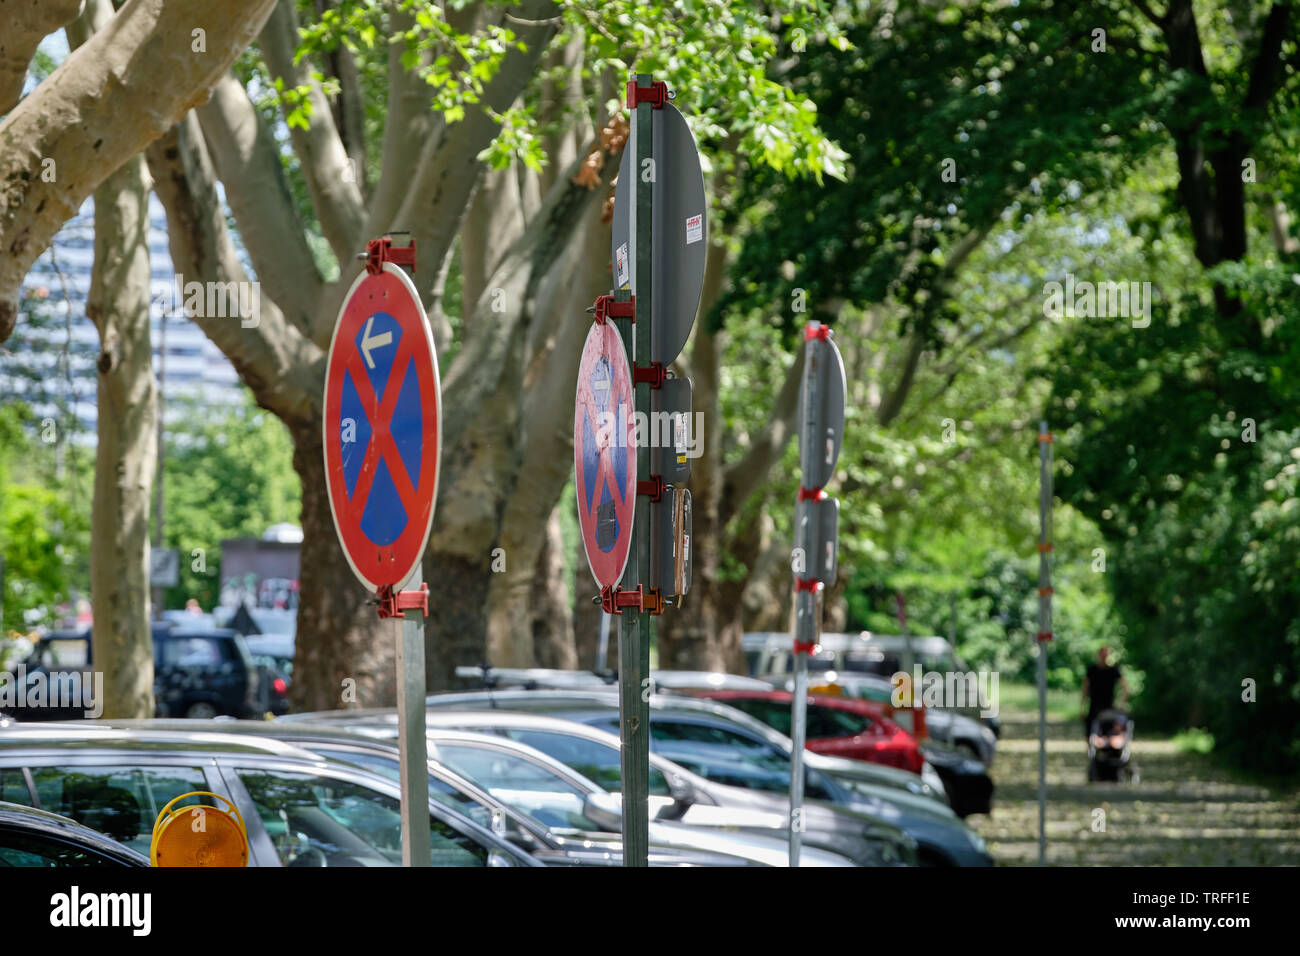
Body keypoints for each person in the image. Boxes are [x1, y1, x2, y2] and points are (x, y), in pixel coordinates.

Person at [1081, 646, 1128, 739]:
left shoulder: (1113, 670)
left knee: (1109, 730)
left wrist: (1121, 702)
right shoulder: (1091, 670)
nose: (1104, 657)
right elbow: (1085, 688)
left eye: (1106, 655)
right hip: (1094, 705)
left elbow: (1125, 688)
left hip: (1109, 705)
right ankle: (1092, 750)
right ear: (1098, 655)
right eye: (1102, 654)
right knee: (1089, 730)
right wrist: (1082, 706)